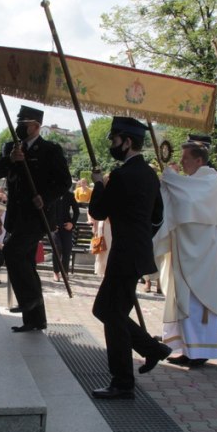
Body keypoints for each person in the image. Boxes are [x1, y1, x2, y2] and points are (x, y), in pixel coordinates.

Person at [87, 117, 169, 399]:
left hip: (125, 255)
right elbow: (158, 217)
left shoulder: (121, 176)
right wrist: (140, 237)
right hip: (136, 253)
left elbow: (98, 211)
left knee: (111, 313)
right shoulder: (149, 174)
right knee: (108, 310)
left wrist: (99, 184)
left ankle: (123, 382)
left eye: (115, 140)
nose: (112, 144)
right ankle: (152, 349)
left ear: (127, 141)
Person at [0, 106, 71, 332]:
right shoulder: (11, 148)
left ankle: (29, 299)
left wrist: (45, 197)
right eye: (18, 123)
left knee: (11, 251)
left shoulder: (50, 150)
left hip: (37, 216)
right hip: (17, 216)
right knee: (26, 262)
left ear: (35, 126)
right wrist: (11, 160)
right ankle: (35, 319)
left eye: (23, 124)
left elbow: (64, 182)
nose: (19, 127)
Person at [154, 135, 217, 367]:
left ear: (199, 160)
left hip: (203, 253)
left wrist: (169, 177)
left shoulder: (210, 178)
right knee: (184, 300)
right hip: (187, 248)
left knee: (200, 304)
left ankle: (201, 350)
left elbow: (189, 202)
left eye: (186, 158)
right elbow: (180, 198)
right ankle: (189, 347)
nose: (182, 162)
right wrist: (168, 181)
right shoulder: (191, 181)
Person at [51, 191, 80, 282]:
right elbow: (45, 210)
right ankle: (56, 272)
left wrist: (72, 223)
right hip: (54, 227)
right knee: (57, 248)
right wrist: (51, 224)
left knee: (67, 249)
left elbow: (77, 212)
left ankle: (65, 272)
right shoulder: (52, 193)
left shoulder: (69, 195)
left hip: (66, 227)